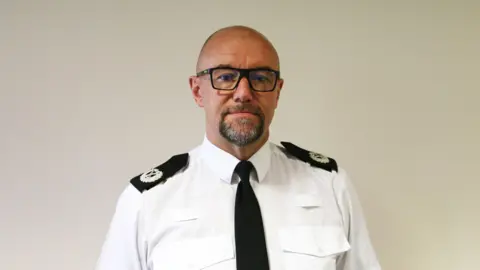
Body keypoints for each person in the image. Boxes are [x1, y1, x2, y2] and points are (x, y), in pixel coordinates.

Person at [95, 25, 382, 270]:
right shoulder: (147, 200)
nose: (244, 93)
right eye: (225, 77)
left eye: (260, 78)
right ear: (197, 91)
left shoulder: (330, 185)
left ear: (277, 91)